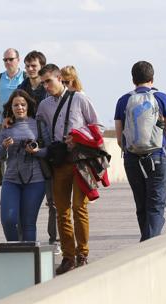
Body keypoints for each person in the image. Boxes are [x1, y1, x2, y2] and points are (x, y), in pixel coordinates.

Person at [37, 64, 98, 275]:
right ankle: (68, 256)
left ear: (60, 78)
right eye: (43, 82)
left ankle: (83, 253)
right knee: (61, 210)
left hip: (80, 159)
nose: (46, 86)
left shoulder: (79, 98)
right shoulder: (44, 106)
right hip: (59, 160)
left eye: (49, 81)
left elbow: (96, 126)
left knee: (79, 207)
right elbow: (39, 130)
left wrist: (79, 136)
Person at [114, 61, 166, 244]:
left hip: (132, 159)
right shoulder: (162, 98)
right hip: (158, 157)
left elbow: (120, 139)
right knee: (156, 205)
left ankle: (146, 242)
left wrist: (132, 153)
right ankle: (149, 246)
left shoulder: (123, 100)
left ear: (133, 79)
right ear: (152, 78)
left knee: (141, 204)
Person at [16, 50, 59, 252]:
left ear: (42, 66)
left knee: (53, 201)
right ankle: (22, 241)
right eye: (27, 66)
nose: (30, 69)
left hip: (46, 146)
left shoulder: (48, 89)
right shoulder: (21, 88)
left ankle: (54, 239)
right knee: (23, 202)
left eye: (33, 65)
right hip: (25, 149)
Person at [0, 90, 49, 241]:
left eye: (23, 104)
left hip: (35, 180)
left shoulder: (38, 124)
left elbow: (49, 151)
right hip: (11, 179)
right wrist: (4, 146)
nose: (19, 108)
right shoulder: (6, 127)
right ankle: (14, 251)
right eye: (16, 105)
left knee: (28, 223)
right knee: (8, 220)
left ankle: (29, 259)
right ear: (10, 107)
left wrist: (36, 151)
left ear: (28, 106)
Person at [0, 48, 26, 186]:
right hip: (1, 122)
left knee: (19, 152)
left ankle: (20, 180)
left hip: (21, 122)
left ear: (18, 60)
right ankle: (4, 182)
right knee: (2, 152)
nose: (8, 62)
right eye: (5, 60)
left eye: (11, 59)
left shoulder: (24, 77)